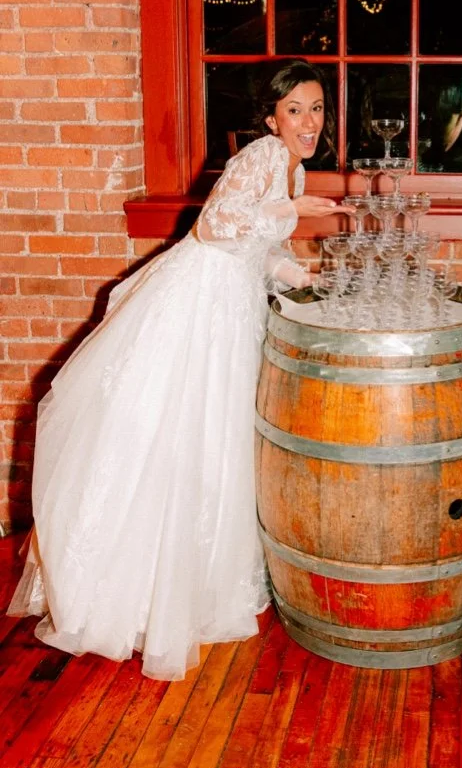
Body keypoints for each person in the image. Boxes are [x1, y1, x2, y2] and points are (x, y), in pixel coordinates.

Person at [8, 59, 350, 680]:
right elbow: (214, 228)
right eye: (295, 110)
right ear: (271, 118)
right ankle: (132, 595)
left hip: (231, 306)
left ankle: (202, 584)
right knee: (172, 436)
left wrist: (301, 272)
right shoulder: (262, 157)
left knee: (216, 443)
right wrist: (291, 207)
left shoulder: (291, 166)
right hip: (198, 305)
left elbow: (258, 249)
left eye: (317, 108)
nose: (308, 122)